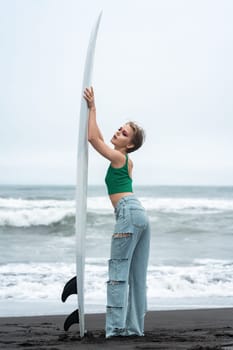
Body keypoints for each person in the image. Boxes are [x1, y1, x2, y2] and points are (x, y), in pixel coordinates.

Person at [84, 87, 150, 338]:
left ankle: (115, 329)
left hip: (128, 213)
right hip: (139, 214)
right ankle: (134, 328)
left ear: (130, 144)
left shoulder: (119, 158)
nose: (117, 132)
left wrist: (93, 108)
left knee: (118, 272)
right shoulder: (124, 160)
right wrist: (94, 117)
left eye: (123, 133)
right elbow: (98, 136)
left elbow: (92, 139)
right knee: (136, 275)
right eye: (119, 128)